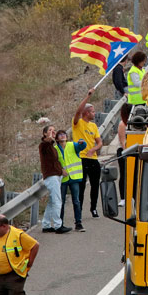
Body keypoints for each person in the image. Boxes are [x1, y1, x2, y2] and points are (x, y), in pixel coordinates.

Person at [72, 89, 102, 218]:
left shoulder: (94, 126)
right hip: (81, 158)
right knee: (82, 185)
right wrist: (88, 97)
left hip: (92, 158)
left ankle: (93, 208)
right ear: (87, 113)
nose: (94, 114)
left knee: (95, 184)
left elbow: (100, 142)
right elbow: (78, 111)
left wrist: (93, 149)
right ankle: (79, 209)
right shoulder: (77, 123)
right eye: (93, 111)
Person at [38, 126, 71, 233]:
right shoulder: (44, 145)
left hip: (56, 175)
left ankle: (46, 224)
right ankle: (58, 225)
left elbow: (54, 162)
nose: (53, 132)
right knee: (57, 201)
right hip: (51, 176)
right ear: (44, 134)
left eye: (54, 130)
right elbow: (46, 143)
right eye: (50, 130)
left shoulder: (52, 146)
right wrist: (49, 138)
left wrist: (61, 171)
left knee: (52, 201)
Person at [54, 129, 87, 232]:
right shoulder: (55, 149)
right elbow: (54, 162)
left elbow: (82, 146)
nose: (63, 136)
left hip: (74, 177)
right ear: (57, 138)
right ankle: (60, 223)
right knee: (61, 202)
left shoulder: (72, 145)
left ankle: (78, 223)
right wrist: (61, 170)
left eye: (64, 134)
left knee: (76, 201)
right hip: (63, 179)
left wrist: (82, 141)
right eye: (60, 135)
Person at [121, 50, 148, 135]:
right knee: (137, 122)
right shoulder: (133, 71)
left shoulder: (142, 70)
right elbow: (137, 83)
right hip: (135, 101)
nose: (144, 62)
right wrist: (147, 81)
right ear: (139, 60)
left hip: (143, 100)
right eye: (143, 61)